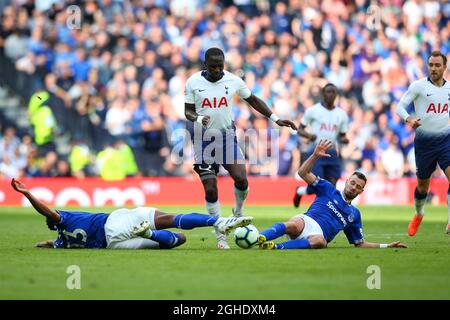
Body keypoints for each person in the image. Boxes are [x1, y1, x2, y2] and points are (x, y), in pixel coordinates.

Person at [184, 47, 297, 249]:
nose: (217, 70)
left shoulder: (233, 80)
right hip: (203, 139)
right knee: (211, 188)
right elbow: (188, 111)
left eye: (220, 66)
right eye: (213, 66)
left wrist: (276, 118)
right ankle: (220, 235)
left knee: (241, 178)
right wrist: (200, 118)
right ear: (205, 65)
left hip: (227, 136)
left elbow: (252, 99)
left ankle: (237, 211)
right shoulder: (193, 82)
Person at [10, 178, 253, 249]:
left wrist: (38, 246)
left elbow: (47, 243)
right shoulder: (64, 220)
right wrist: (28, 194)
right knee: (171, 220)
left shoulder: (63, 242)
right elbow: (48, 214)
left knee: (178, 240)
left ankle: (149, 234)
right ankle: (219, 221)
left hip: (111, 244)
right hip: (115, 222)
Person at [258, 140, 407, 250]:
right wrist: (315, 155)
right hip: (307, 221)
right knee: (294, 224)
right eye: (352, 183)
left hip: (318, 236)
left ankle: (275, 247)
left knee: (321, 242)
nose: (354, 187)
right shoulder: (328, 188)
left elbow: (360, 243)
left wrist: (386, 246)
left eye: (358, 187)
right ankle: (260, 237)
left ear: (361, 191)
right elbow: (303, 173)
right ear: (347, 181)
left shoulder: (354, 214)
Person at [396, 50, 450, 236]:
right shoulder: (418, 86)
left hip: (445, 140)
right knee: (422, 186)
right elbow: (400, 106)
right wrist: (409, 119)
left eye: (437, 65)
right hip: (425, 144)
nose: (433, 68)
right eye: (431, 65)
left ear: (444, 67)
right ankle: (419, 214)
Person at [293, 83, 349, 208]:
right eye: (327, 92)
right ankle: (299, 191)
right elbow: (300, 129)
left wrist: (344, 140)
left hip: (332, 152)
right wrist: (309, 136)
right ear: (323, 94)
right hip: (316, 151)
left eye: (332, 92)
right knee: (316, 185)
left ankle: (326, 211)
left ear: (336, 95)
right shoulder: (313, 110)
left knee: (332, 186)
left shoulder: (342, 114)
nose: (330, 94)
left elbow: (341, 135)